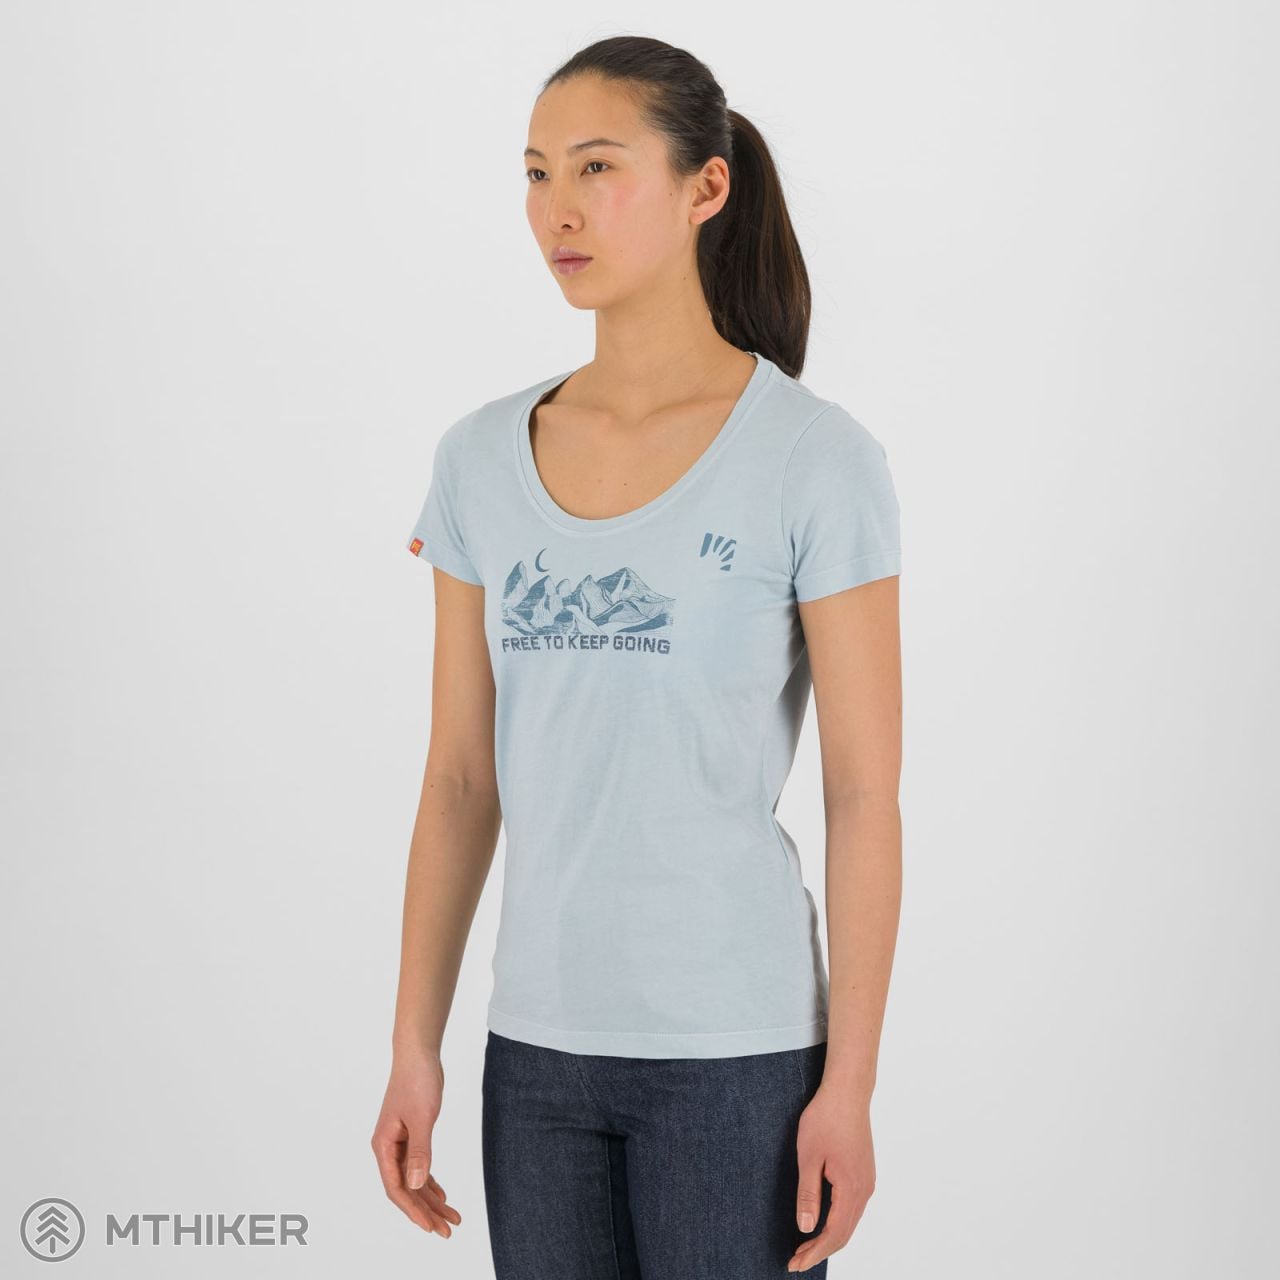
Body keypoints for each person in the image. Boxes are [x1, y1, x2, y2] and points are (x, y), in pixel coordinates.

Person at [371, 33, 903, 1280]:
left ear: (704, 185)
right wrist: (414, 1043)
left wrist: (849, 1084)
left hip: (739, 1059)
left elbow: (861, 792)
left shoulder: (812, 458)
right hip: (534, 1058)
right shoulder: (477, 458)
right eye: (536, 172)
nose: (556, 208)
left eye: (596, 166)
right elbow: (458, 777)